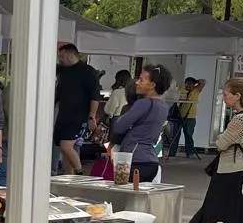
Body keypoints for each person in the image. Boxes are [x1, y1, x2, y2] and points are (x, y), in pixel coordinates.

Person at [184, 77, 243, 223]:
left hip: (230, 169)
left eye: (227, 95)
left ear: (238, 96)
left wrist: (221, 137)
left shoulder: (241, 118)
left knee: (216, 209)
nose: (224, 98)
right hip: (241, 167)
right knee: (235, 210)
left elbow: (221, 143)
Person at [108, 62, 173, 183]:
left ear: (152, 85)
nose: (137, 83)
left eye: (142, 80)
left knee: (125, 198)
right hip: (152, 161)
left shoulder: (143, 103)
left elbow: (119, 127)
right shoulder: (163, 106)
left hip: (133, 159)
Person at [53, 43, 102, 174]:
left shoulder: (88, 72)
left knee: (66, 145)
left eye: (61, 56)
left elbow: (95, 96)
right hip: (63, 115)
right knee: (64, 148)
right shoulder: (62, 70)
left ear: (70, 55)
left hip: (79, 116)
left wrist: (92, 116)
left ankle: (80, 173)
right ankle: (69, 176)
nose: (60, 59)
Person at [177, 78, 204, 159]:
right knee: (175, 135)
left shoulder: (196, 91)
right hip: (179, 116)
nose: (188, 86)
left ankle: (190, 153)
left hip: (190, 117)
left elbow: (203, 82)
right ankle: (172, 153)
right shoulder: (180, 89)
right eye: (187, 84)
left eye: (190, 84)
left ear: (193, 85)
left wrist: (196, 81)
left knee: (188, 135)